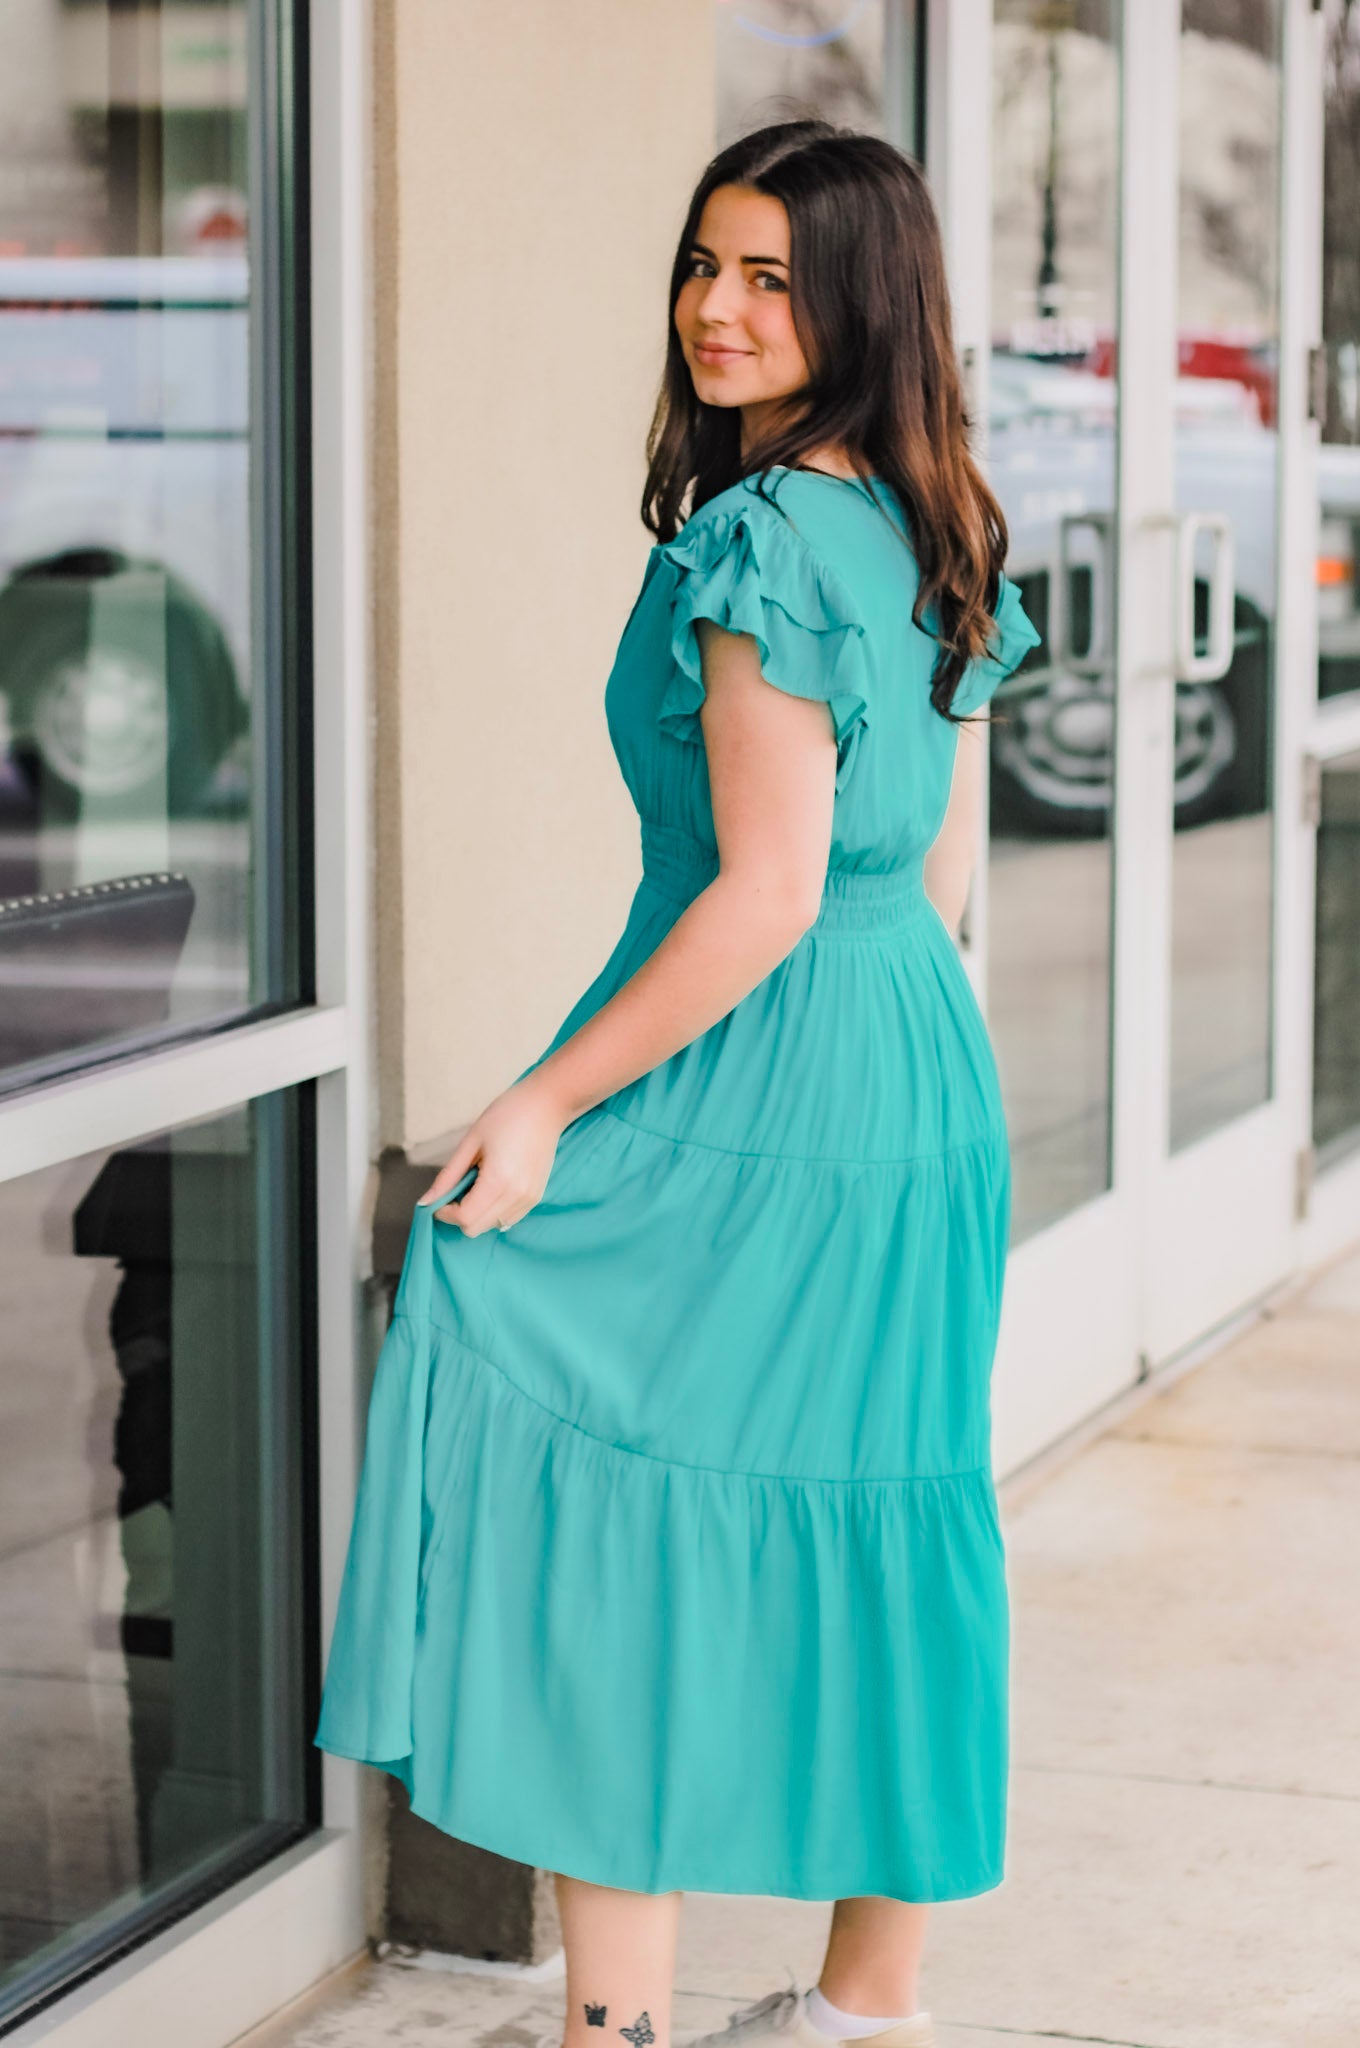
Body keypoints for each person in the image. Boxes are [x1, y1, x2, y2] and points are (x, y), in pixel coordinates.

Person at [313, 119, 1040, 2048]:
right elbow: (933, 876)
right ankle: (864, 2012)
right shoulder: (939, 514)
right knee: (886, 1510)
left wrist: (548, 1100)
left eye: (771, 279)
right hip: (912, 1075)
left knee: (591, 1490)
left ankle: (615, 2031)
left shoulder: (768, 537)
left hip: (769, 1065)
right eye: (705, 265)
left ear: (860, 304)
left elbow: (766, 894)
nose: (717, 310)